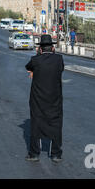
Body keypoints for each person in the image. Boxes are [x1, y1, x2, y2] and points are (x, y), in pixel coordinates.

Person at [25, 35, 64, 163]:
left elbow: (28, 66)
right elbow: (60, 69)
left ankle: (34, 154)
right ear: (53, 48)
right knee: (56, 124)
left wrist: (35, 66)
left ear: (40, 49)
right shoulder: (59, 60)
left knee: (36, 124)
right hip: (55, 100)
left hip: (38, 100)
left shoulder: (35, 60)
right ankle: (56, 154)